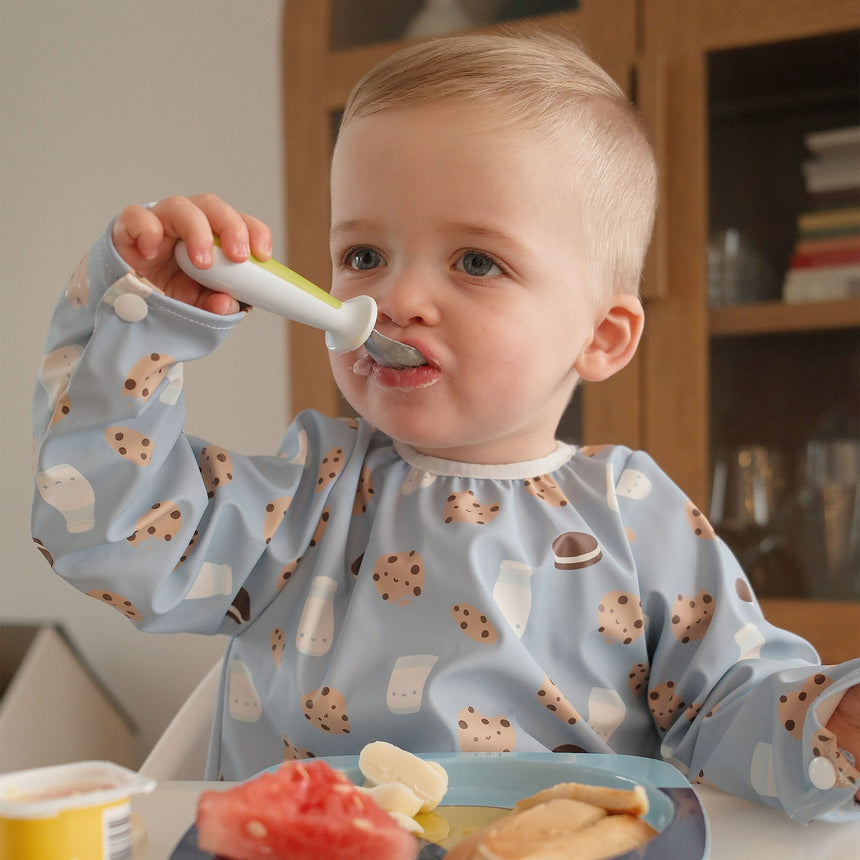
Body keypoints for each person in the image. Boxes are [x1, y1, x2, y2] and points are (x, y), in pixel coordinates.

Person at [32, 32, 858, 821]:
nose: (394, 299)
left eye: (475, 262)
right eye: (363, 256)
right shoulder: (308, 494)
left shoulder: (638, 517)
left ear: (600, 337)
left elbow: (731, 706)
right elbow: (108, 527)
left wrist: (831, 725)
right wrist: (143, 320)